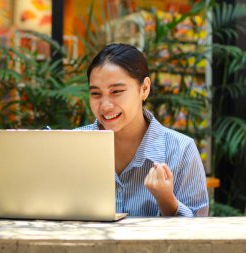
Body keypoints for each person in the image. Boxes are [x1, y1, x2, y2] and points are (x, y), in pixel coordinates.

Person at [77, 43, 209, 216]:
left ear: (144, 88)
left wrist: (168, 202)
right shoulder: (74, 146)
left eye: (116, 91)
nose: (105, 105)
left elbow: (199, 235)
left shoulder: (181, 150)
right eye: (95, 94)